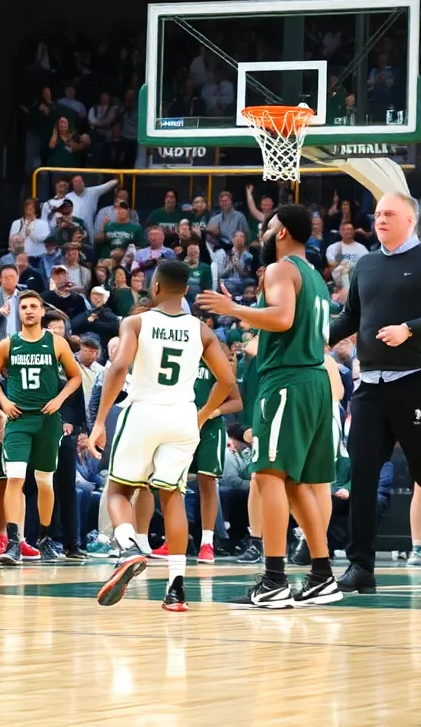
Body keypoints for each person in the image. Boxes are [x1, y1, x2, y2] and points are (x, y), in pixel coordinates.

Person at [197, 204, 343, 607]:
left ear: (280, 233)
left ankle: (274, 579)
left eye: (268, 226)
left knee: (269, 476)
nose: (263, 232)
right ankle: (321, 574)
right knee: (297, 485)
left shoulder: (281, 269)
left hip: (288, 381)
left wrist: (235, 310)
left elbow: (280, 318)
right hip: (314, 381)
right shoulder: (314, 274)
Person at [87, 260, 235, 612]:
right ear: (186, 291)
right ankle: (176, 590)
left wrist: (99, 422)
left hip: (143, 411)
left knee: (120, 490)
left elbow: (119, 368)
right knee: (172, 498)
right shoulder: (201, 330)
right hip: (182, 416)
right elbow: (227, 381)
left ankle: (129, 547)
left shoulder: (135, 321)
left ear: (154, 288)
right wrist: (200, 415)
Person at [327, 192, 421, 593]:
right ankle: (360, 567)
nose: (380, 219)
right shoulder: (364, 263)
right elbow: (351, 316)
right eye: (378, 213)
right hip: (369, 386)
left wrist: (410, 329)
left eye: (389, 214)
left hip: (414, 380)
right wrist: (315, 337)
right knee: (362, 479)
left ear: (410, 219)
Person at [0, 291, 82, 564]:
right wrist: (4, 402)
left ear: (42, 312)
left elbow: (76, 378)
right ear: (19, 313)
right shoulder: (8, 345)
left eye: (34, 307)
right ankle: (15, 542)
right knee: (15, 478)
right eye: (24, 307)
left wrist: (59, 399)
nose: (29, 311)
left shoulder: (57, 343)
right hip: (18, 419)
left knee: (44, 481)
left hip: (47, 419)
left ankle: (44, 536)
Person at [148, 348, 243, 564]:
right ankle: (174, 540)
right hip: (178, 426)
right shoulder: (176, 361)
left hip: (209, 429)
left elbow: (237, 401)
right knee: (172, 483)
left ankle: (207, 542)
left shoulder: (214, 362)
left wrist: (211, 412)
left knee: (207, 482)